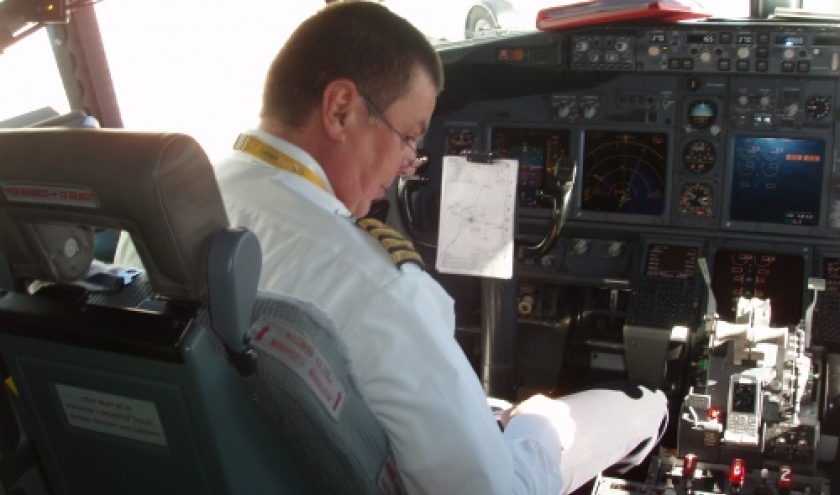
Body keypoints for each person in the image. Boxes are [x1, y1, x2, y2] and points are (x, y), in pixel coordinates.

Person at [115, 2, 667, 493]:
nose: (411, 163)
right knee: (630, 411)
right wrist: (539, 425)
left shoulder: (156, 223)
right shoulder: (377, 286)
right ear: (340, 110)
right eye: (409, 134)